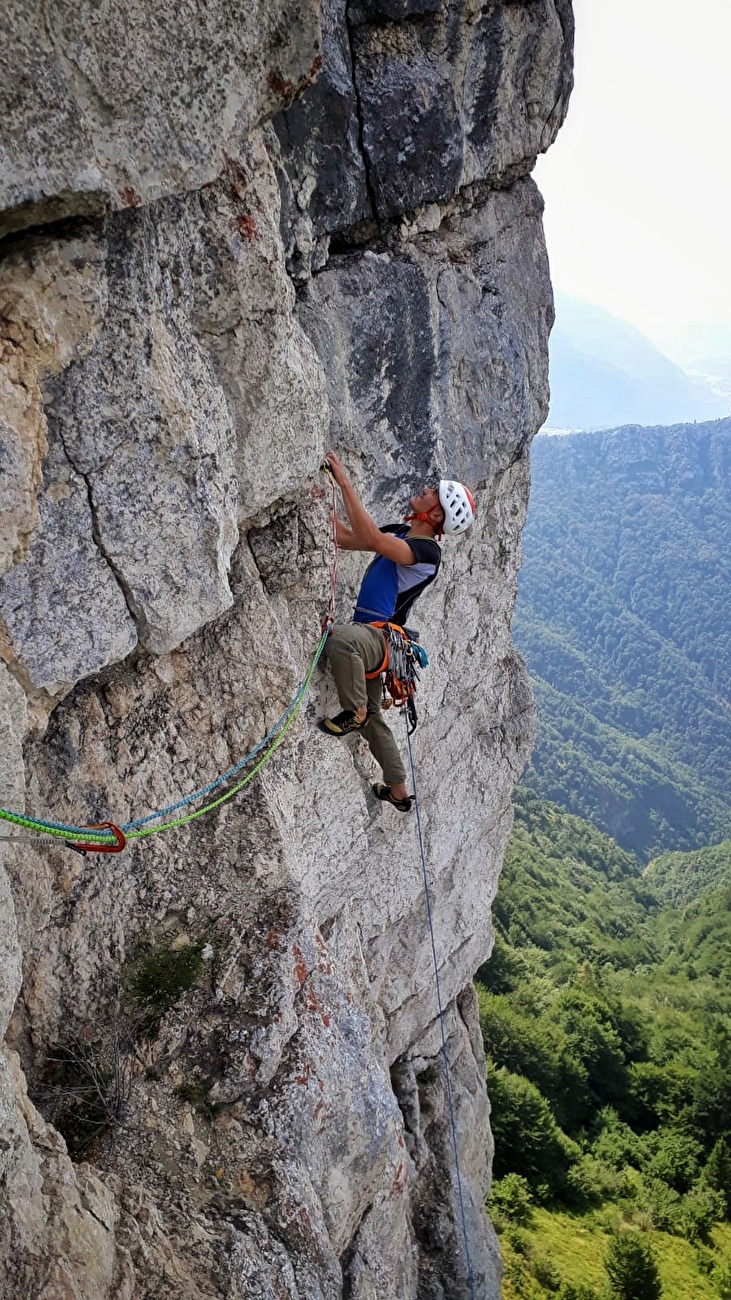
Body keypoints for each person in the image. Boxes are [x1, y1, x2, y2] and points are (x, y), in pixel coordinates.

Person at [319, 451, 475, 812]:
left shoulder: (427, 553)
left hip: (378, 637)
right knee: (374, 718)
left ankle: (352, 710)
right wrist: (317, 508)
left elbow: (371, 539)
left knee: (339, 640)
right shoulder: (401, 533)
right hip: (376, 638)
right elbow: (348, 538)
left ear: (436, 514)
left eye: (432, 492)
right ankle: (398, 790)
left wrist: (343, 482)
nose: (424, 489)